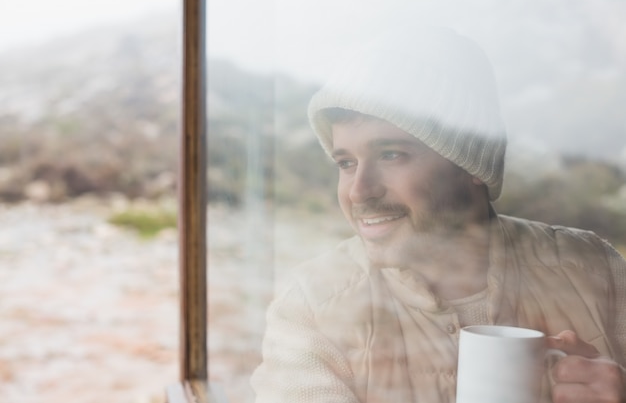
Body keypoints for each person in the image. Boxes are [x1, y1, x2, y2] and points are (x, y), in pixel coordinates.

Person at [251, 26, 626, 403]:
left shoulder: (597, 271)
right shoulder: (312, 305)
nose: (359, 190)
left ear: (472, 163)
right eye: (346, 162)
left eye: (391, 154)